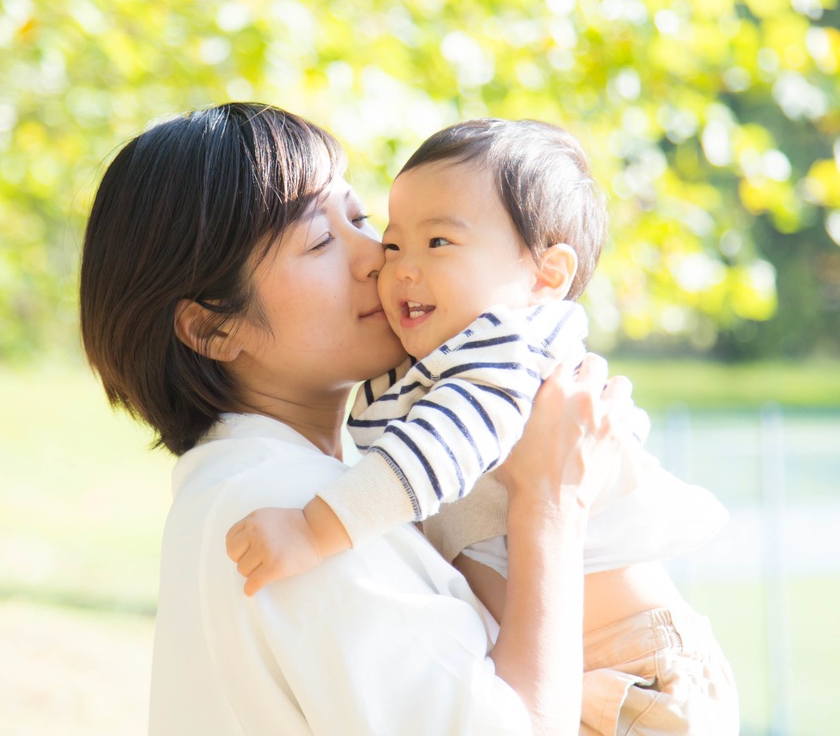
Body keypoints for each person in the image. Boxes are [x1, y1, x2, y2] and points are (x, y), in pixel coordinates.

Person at [80, 102, 636, 735]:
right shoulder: (294, 513)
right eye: (320, 240)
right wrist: (550, 500)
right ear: (213, 327)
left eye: (361, 219)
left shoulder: (266, 489)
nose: (379, 257)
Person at [225, 119, 739, 734]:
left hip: (641, 667)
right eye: (394, 245)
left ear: (544, 276)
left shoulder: (505, 353)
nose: (401, 270)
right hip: (582, 670)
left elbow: (427, 458)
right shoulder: (428, 364)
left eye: (439, 243)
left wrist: (311, 531)